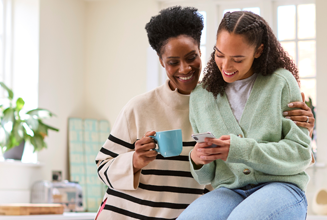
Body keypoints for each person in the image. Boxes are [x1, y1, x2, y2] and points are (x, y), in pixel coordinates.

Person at [94, 7, 315, 220]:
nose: (184, 68)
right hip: (130, 213)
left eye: (191, 57)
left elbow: (300, 154)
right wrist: (137, 160)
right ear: (161, 62)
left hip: (255, 194)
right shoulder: (146, 106)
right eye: (173, 62)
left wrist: (305, 129)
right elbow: (102, 166)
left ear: (200, 52)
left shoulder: (272, 84)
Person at [178, 11, 312, 220]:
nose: (226, 66)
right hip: (230, 191)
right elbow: (206, 177)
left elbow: (301, 153)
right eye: (220, 54)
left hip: (282, 187)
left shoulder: (281, 83)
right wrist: (197, 159)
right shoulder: (201, 96)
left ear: (258, 51)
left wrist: (240, 149)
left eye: (237, 59)